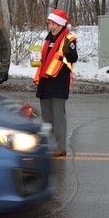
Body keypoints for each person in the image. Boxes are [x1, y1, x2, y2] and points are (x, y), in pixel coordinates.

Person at [33, 9, 78, 157]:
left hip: (59, 81)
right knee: (46, 116)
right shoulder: (48, 39)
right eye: (50, 24)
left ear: (61, 24)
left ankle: (59, 147)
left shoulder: (69, 38)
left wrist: (67, 52)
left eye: (54, 24)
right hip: (46, 80)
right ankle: (48, 144)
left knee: (58, 116)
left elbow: (73, 57)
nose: (51, 27)